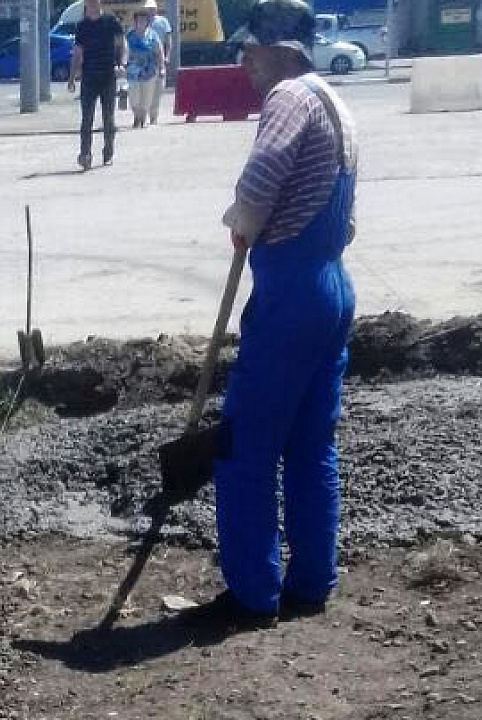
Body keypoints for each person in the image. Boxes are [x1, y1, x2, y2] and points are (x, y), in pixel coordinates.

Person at [197, 0, 359, 630]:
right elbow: (345, 217)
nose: (243, 60)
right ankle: (312, 582)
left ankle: (252, 594)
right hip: (331, 287)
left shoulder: (289, 98)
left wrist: (244, 221)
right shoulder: (336, 104)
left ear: (281, 51)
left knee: (246, 446)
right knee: (311, 443)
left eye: (250, 49)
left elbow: (263, 173)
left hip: (292, 294)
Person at [67, 0, 126, 170]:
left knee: (108, 118)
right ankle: (85, 154)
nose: (92, 3)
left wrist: (121, 64)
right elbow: (78, 53)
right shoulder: (82, 26)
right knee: (87, 119)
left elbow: (122, 44)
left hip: (108, 76)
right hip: (89, 78)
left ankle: (108, 149)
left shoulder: (111, 22)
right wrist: (72, 78)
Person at [125, 8, 165, 129]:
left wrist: (161, 67)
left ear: (147, 22)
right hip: (133, 72)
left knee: (147, 96)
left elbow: (159, 52)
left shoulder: (153, 35)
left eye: (144, 20)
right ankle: (137, 115)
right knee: (134, 97)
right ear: (135, 21)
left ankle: (141, 118)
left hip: (150, 71)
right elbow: (124, 51)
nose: (141, 22)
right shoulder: (129, 35)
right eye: (139, 20)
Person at [147, 0, 172, 123]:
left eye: (152, 8)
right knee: (145, 88)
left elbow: (168, 40)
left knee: (158, 88)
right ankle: (144, 114)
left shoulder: (163, 21)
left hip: (159, 59)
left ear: (156, 9)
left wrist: (167, 55)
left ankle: (153, 117)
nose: (150, 11)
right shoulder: (142, 21)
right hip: (145, 60)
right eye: (148, 8)